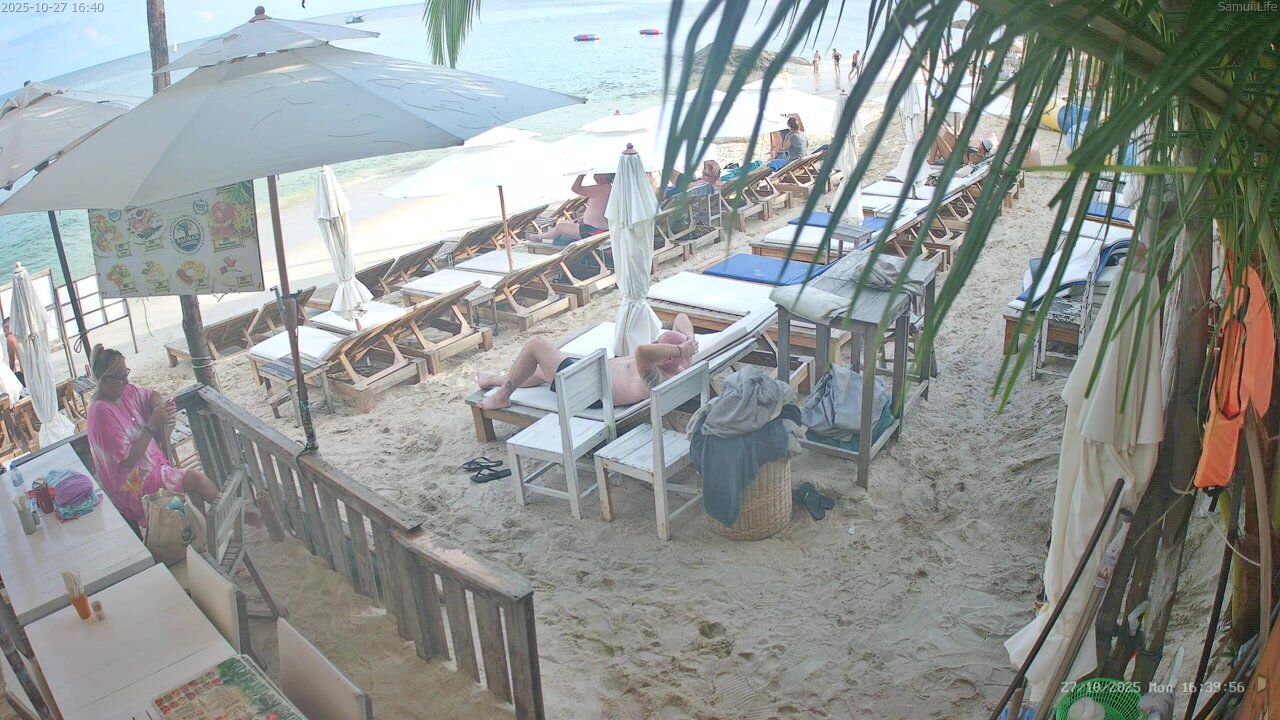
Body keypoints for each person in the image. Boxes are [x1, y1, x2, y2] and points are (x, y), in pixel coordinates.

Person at [85, 345, 220, 528]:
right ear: (105, 381)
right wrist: (153, 423)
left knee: (194, 492)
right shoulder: (100, 412)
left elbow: (151, 395)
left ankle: (201, 533)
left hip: (150, 470)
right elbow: (128, 460)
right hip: (133, 487)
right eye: (121, 378)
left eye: (126, 374)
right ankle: (242, 517)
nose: (126, 381)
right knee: (196, 479)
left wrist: (159, 405)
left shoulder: (122, 392)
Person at [476, 314, 699, 410]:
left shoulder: (655, 378)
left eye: (658, 344)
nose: (654, 342)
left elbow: (642, 351)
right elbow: (681, 317)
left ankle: (502, 397)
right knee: (545, 372)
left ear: (666, 358)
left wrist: (680, 348)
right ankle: (493, 380)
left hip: (586, 391)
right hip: (591, 376)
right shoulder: (682, 363)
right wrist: (689, 339)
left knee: (535, 345)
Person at [525, 174, 614, 244]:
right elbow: (599, 209)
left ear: (604, 177)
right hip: (599, 229)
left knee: (560, 227)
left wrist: (581, 175)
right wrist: (583, 218)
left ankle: (539, 237)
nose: (594, 176)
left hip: (592, 231)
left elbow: (575, 188)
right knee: (568, 225)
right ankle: (546, 235)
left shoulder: (601, 188)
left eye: (596, 174)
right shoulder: (610, 189)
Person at [4, 318, 21, 386]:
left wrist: (11, 374)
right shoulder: (19, 334)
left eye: (4, 330)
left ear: (8, 327)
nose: (4, 334)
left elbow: (11, 358)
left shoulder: (10, 338)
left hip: (24, 370)